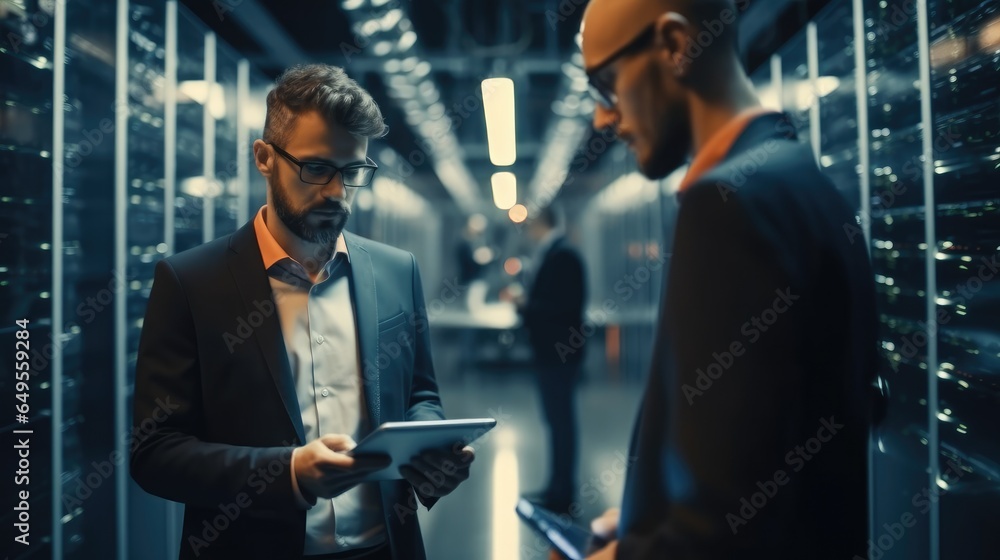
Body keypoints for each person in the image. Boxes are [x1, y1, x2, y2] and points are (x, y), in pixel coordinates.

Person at [572, 1, 879, 558]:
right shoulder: (799, 183)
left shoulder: (727, 204)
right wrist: (645, 521)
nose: (602, 118)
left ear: (672, 46)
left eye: (606, 85)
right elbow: (766, 469)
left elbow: (719, 534)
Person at [130, 64, 473, 560]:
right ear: (264, 158)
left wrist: (429, 452)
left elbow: (419, 392)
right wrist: (287, 473)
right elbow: (155, 453)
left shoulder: (398, 271)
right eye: (315, 168)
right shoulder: (190, 282)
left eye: (352, 172)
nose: (336, 192)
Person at [517, 205, 588, 513]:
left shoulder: (563, 255)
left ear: (540, 224)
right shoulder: (557, 252)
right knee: (556, 422)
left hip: (559, 352)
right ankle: (556, 487)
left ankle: (562, 494)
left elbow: (565, 306)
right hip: (552, 351)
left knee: (561, 423)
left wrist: (525, 306)